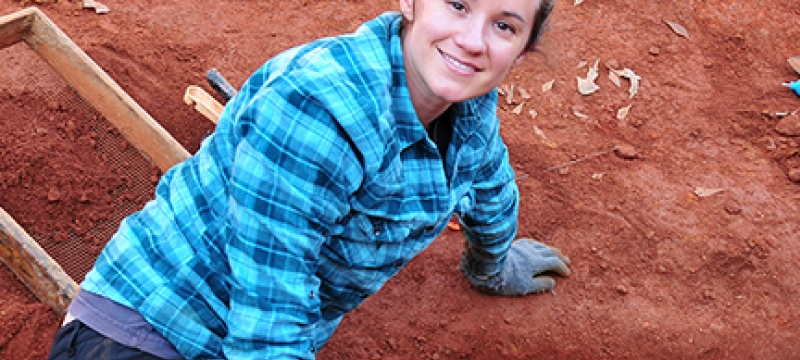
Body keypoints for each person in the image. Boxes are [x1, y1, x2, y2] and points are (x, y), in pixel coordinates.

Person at [47, 0, 570, 358]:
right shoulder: (317, 111)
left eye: (504, 25)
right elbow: (269, 325)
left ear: (522, 49)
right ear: (410, 1)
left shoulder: (468, 96)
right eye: (457, 3)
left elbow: (485, 174)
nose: (473, 40)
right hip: (154, 329)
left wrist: (493, 263)